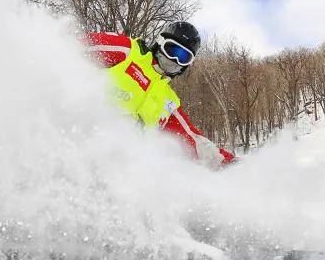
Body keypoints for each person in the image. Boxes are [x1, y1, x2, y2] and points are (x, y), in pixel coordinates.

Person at [84, 21, 235, 169]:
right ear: (160, 43)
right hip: (82, 136)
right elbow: (74, 44)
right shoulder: (129, 52)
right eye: (172, 50)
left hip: (118, 167)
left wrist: (230, 165)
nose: (174, 60)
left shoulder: (168, 101)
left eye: (183, 58)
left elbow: (195, 140)